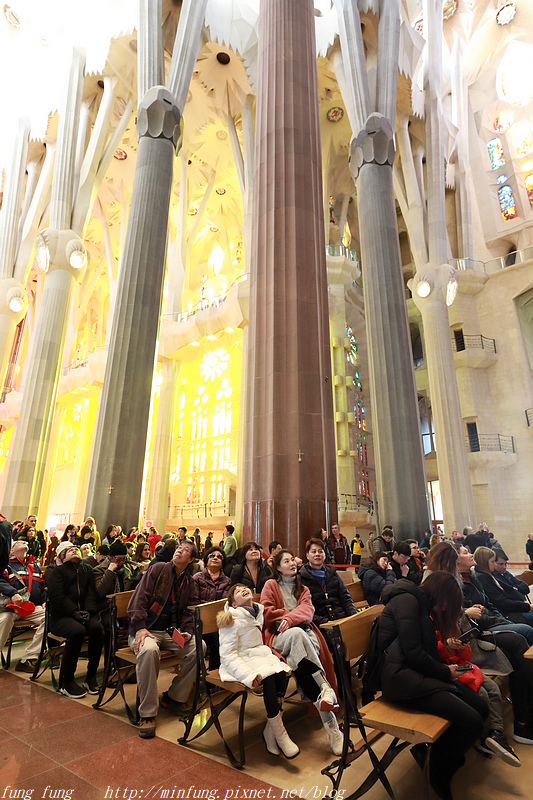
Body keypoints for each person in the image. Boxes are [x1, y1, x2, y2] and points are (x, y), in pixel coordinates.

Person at [378, 572, 488, 800]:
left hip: (414, 673)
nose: (447, 607)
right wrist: (444, 672)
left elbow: (422, 653)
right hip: (399, 680)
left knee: (481, 707)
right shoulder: (407, 601)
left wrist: (446, 670)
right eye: (448, 601)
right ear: (441, 595)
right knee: (471, 720)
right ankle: (438, 771)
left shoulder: (419, 603)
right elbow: (414, 653)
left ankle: (433, 755)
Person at [260, 549, 343, 755]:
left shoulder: (302, 588)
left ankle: (272, 731)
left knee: (301, 655)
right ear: (277, 567)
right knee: (298, 635)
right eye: (286, 561)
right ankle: (327, 700)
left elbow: (309, 610)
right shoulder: (270, 585)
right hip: (279, 636)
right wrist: (289, 617)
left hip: (303, 636)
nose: (292, 563)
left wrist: (293, 619)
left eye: (292, 560)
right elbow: (267, 611)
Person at [127, 539, 199, 739]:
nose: (179, 552)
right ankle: (147, 713)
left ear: (191, 559)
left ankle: (174, 698)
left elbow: (189, 610)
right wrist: (140, 628)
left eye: (185, 550)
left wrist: (187, 631)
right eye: (178, 548)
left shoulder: (189, 581)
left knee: (197, 647)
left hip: (169, 632)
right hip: (145, 629)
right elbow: (139, 598)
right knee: (149, 650)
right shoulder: (158, 569)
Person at [217, 583, 297, 758]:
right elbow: (227, 655)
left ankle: (270, 733)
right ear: (234, 604)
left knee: (282, 672)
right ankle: (282, 736)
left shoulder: (256, 612)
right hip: (240, 661)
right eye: (237, 591)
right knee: (268, 678)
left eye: (245, 587)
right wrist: (248, 675)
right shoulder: (231, 619)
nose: (243, 590)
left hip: (259, 654)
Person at [46, 541, 104, 698]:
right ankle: (67, 681)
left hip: (82, 614)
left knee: (97, 628)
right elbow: (57, 598)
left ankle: (90, 677)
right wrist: (74, 613)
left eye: (75, 549)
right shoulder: (57, 572)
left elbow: (91, 593)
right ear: (62, 557)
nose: (74, 550)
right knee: (77, 631)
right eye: (69, 550)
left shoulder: (87, 570)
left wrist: (89, 612)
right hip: (61, 617)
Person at [0, 539, 45, 673]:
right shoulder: (4, 564)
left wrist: (44, 600)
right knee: (5, 619)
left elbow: (43, 587)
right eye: (18, 542)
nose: (23, 542)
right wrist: (12, 593)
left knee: (50, 617)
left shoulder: (34, 565)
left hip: (31, 607)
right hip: (11, 606)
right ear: (11, 550)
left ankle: (28, 659)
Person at [189, 546, 232, 670]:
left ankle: (212, 679)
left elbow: (223, 604)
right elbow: (194, 600)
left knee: (220, 643)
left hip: (216, 622)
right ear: (206, 560)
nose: (215, 558)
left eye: (219, 556)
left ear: (223, 563)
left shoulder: (227, 581)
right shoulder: (197, 577)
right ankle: (197, 676)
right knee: (197, 645)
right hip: (198, 620)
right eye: (212, 555)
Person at [299, 538, 357, 626]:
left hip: (341, 619)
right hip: (319, 624)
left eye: (320, 551)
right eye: (314, 552)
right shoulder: (301, 577)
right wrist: (324, 622)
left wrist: (354, 616)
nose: (317, 554)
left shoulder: (332, 573)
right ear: (307, 555)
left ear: (325, 555)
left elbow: (346, 598)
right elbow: (303, 609)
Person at [473, 546, 533, 627]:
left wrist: (516, 589)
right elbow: (502, 601)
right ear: (485, 562)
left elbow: (522, 588)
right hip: (507, 613)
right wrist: (528, 607)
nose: (495, 565)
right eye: (493, 562)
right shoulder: (483, 578)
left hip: (514, 608)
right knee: (526, 629)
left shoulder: (494, 574)